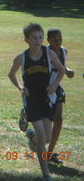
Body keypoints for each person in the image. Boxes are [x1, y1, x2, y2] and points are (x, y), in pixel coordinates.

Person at [8, 23, 65, 181]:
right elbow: (11, 74)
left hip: (46, 98)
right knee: (42, 136)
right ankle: (46, 175)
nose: (37, 40)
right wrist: (20, 87)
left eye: (40, 37)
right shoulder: (22, 58)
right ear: (26, 39)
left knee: (46, 138)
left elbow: (62, 69)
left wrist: (54, 85)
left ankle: (31, 136)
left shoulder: (49, 54)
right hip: (31, 99)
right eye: (34, 37)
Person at [46, 28, 74, 164]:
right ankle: (34, 136)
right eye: (54, 39)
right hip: (44, 90)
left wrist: (68, 71)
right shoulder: (44, 53)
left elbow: (62, 66)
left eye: (60, 39)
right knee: (44, 121)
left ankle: (50, 153)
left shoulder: (64, 51)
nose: (58, 42)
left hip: (57, 89)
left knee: (58, 120)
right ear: (48, 40)